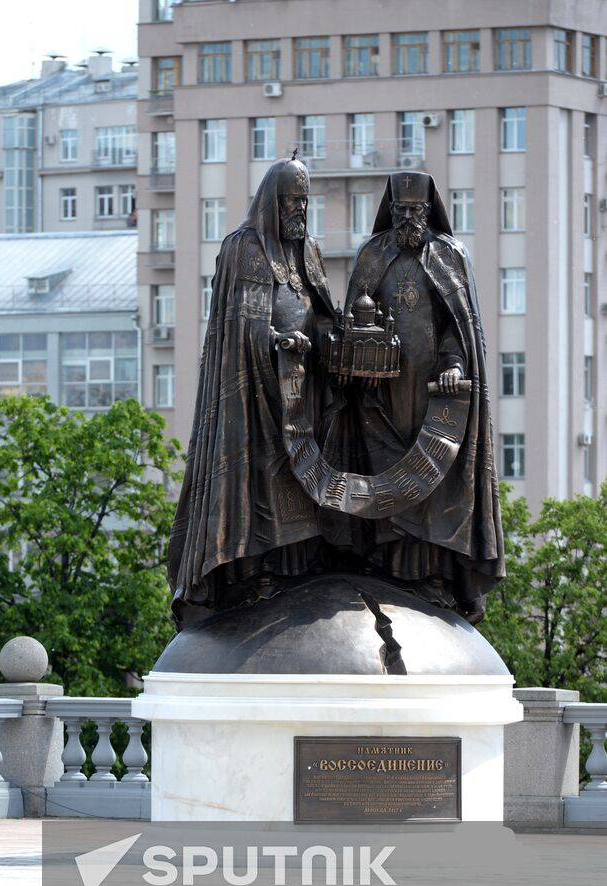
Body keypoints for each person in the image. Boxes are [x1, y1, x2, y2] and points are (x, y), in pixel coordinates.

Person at [168, 154, 337, 620]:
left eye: (304, 202)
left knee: (306, 479)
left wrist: (332, 339)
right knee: (256, 479)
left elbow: (320, 307)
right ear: (271, 203)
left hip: (303, 388)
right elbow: (241, 322)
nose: (299, 212)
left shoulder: (309, 250)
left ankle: (298, 567)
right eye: (291, 202)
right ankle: (254, 573)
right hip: (253, 394)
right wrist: (276, 340)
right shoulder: (245, 246)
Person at [340, 171, 504, 621]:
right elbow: (353, 316)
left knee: (433, 475)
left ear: (429, 212)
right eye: (400, 211)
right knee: (384, 469)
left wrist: (454, 364)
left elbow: (460, 325)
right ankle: (383, 566)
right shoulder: (373, 254)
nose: (407, 219)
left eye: (415, 211)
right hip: (381, 393)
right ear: (389, 211)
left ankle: (434, 575)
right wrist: (356, 364)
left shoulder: (449, 255)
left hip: (434, 393)